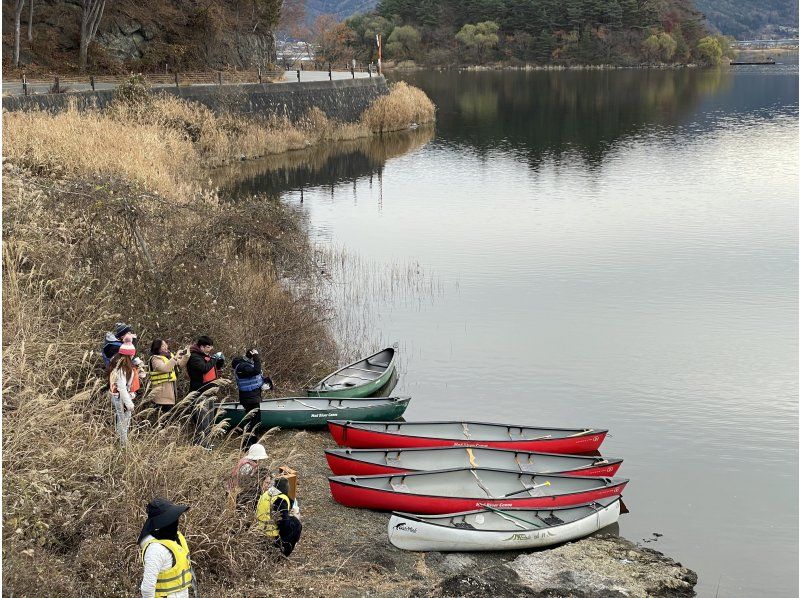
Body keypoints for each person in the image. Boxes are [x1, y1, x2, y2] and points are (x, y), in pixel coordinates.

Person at [138, 497, 195, 598]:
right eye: (172, 518)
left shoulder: (177, 538)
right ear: (163, 522)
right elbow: (147, 589)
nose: (176, 521)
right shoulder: (155, 550)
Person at [185, 336, 225, 448]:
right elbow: (204, 368)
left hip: (209, 392)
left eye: (211, 347)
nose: (210, 349)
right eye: (208, 347)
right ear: (201, 346)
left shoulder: (205, 356)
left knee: (209, 420)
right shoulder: (194, 357)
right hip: (199, 392)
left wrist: (219, 362)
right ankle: (201, 444)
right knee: (202, 420)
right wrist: (214, 359)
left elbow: (213, 368)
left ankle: (207, 443)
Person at [231, 349, 273, 446]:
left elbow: (254, 375)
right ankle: (248, 445)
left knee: (256, 420)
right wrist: (256, 358)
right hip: (249, 398)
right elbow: (256, 371)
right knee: (252, 422)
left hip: (252, 397)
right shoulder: (242, 367)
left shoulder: (245, 365)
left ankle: (253, 443)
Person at [108, 342, 145, 446]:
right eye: (132, 354)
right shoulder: (121, 369)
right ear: (129, 355)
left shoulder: (121, 365)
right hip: (120, 398)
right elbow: (122, 388)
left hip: (119, 397)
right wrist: (129, 403)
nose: (133, 356)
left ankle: (120, 442)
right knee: (123, 422)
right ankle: (123, 445)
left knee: (122, 421)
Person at [256, 477, 302, 556]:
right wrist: (295, 518)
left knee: (292, 520)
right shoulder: (280, 500)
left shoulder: (268, 493)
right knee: (296, 524)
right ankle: (282, 553)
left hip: (259, 529)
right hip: (270, 534)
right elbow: (284, 526)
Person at [148, 340, 190, 413]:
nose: (166, 347)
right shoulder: (155, 359)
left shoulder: (169, 356)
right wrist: (176, 356)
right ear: (157, 348)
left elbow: (180, 364)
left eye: (165, 345)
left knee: (169, 414)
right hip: (161, 393)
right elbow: (165, 368)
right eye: (163, 346)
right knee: (164, 415)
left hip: (170, 391)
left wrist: (186, 355)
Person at [226, 443, 270, 509]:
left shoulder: (247, 461)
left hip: (235, 491)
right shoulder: (247, 466)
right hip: (234, 493)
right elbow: (244, 484)